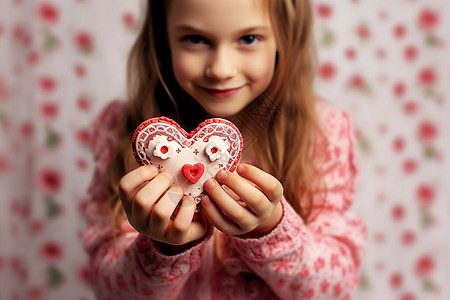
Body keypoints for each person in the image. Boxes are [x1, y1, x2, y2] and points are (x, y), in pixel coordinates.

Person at [82, 0, 366, 299]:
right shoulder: (121, 129)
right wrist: (165, 248)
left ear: (285, 35)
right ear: (164, 35)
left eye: (248, 39)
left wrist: (270, 230)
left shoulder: (322, 132)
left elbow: (335, 289)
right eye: (195, 39)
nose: (221, 69)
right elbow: (109, 289)